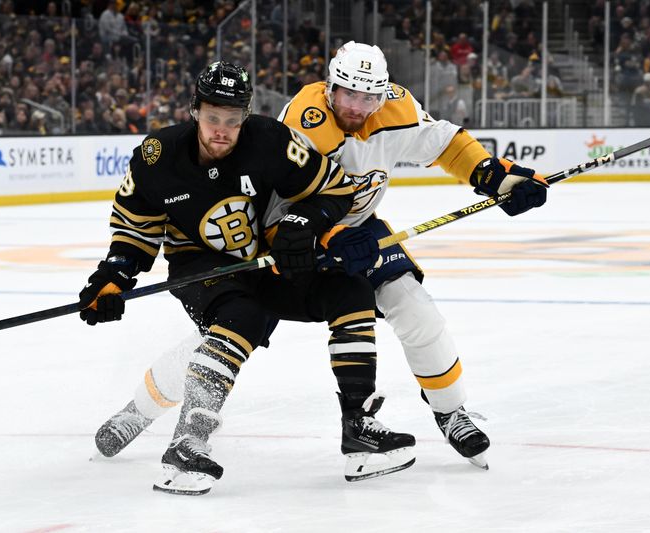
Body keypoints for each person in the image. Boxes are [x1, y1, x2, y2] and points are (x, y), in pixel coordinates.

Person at [93, 43, 548, 472]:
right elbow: (277, 206)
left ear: (383, 95)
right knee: (231, 333)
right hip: (286, 236)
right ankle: (139, 410)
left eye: (367, 98)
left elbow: (445, 143)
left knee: (414, 309)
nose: (355, 106)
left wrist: (496, 177)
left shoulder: (397, 109)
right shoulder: (302, 122)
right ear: (330, 86)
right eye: (347, 93)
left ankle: (448, 414)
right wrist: (322, 234)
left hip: (354, 230)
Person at [79, 61, 415, 495]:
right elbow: (134, 231)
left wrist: (304, 223)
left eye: (233, 121)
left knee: (350, 291)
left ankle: (358, 427)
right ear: (194, 110)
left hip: (265, 260)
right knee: (244, 317)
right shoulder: (156, 156)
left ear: (246, 116)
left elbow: (335, 188)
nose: (222, 130)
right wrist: (113, 278)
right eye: (213, 118)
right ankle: (187, 442)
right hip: (198, 265)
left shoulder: (271, 141)